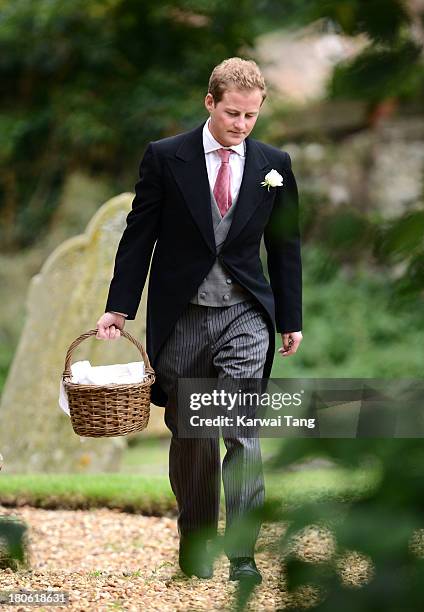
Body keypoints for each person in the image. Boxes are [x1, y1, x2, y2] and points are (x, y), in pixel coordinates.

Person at [96, 57, 303, 584]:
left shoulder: (273, 163)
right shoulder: (166, 158)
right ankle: (196, 544)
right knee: (191, 434)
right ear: (209, 102)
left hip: (245, 315)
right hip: (181, 318)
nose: (240, 125)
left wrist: (289, 317)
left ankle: (243, 555)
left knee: (239, 429)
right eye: (232, 113)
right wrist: (119, 306)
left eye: (251, 116)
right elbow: (139, 235)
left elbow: (284, 245)